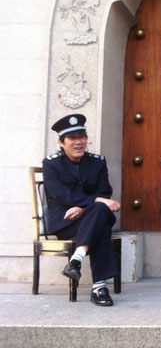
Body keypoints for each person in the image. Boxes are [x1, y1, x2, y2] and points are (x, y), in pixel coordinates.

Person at [42, 114, 120, 306]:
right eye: (73, 138)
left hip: (89, 216)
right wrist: (95, 200)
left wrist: (84, 208)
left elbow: (105, 190)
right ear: (61, 142)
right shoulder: (51, 164)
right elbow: (61, 195)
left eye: (82, 137)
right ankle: (99, 287)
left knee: (99, 212)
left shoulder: (97, 162)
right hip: (66, 221)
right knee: (101, 217)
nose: (79, 142)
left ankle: (76, 260)